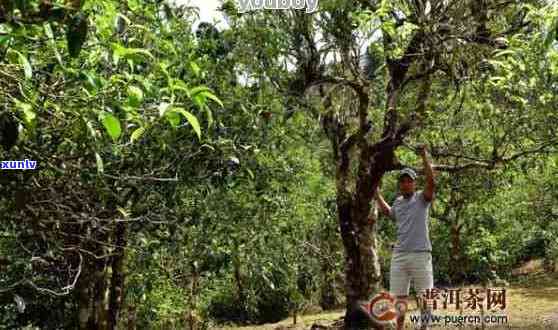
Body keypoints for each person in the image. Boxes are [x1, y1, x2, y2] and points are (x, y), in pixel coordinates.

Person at [374, 145, 436, 330]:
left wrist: (424, 157)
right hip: (400, 255)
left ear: (414, 183)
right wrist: (376, 194)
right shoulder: (398, 203)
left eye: (409, 181)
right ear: (400, 184)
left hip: (420, 254)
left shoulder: (421, 199)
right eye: (402, 181)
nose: (405, 184)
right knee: (399, 296)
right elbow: (388, 212)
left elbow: (432, 183)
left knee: (425, 295)